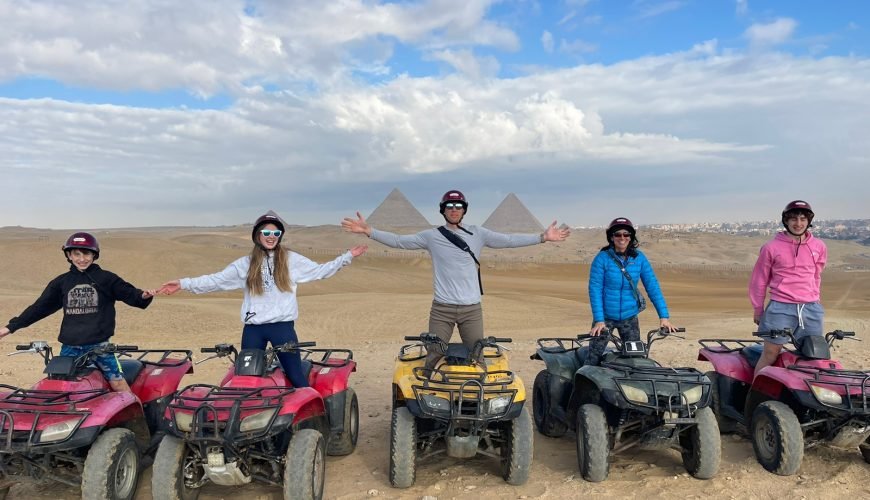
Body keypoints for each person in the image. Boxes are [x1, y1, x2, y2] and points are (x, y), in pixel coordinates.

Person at [342, 189, 570, 369]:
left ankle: (480, 405)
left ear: (464, 210)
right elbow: (400, 241)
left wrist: (542, 237)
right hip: (442, 309)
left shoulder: (478, 234)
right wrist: (369, 231)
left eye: (458, 206)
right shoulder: (431, 236)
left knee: (477, 356)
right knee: (434, 356)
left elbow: (509, 240)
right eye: (449, 206)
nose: (454, 209)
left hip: (471, 309)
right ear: (443, 210)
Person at [158, 211, 367, 388]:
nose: (271, 236)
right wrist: (183, 283)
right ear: (258, 235)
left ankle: (312, 424)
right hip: (254, 330)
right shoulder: (245, 264)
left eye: (276, 233)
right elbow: (216, 280)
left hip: (282, 328)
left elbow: (321, 271)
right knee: (246, 378)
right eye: (267, 232)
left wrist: (347, 256)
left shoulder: (291, 260)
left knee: (296, 378)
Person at [0, 232, 157, 392]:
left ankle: (136, 415)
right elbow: (38, 308)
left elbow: (129, 294)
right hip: (70, 348)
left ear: (94, 254)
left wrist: (143, 295)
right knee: (59, 386)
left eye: (86, 253)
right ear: (69, 255)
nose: (82, 259)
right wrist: (9, 328)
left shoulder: (106, 279)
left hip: (100, 347)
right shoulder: (62, 282)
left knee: (117, 383)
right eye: (77, 254)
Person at [749, 200, 827, 376]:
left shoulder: (819, 246)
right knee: (770, 353)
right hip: (780, 307)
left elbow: (816, 276)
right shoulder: (771, 247)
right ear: (786, 221)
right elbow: (759, 280)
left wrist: (816, 300)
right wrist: (758, 308)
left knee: (814, 356)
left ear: (809, 221)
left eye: (802, 219)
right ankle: (754, 397)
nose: (798, 223)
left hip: (811, 308)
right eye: (793, 219)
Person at [587, 217, 676, 366]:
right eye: (618, 234)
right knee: (593, 359)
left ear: (631, 237)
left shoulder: (639, 258)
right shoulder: (602, 258)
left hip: (629, 317)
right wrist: (599, 320)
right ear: (611, 237)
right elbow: (595, 289)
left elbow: (653, 287)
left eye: (626, 234)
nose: (622, 238)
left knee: (635, 360)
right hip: (605, 317)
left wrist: (664, 317)